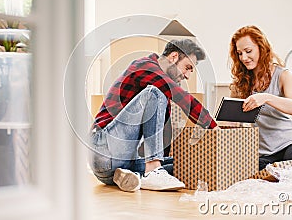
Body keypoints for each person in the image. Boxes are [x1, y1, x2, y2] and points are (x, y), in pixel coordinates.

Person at [89, 38, 218, 192]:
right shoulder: (145, 67)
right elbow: (183, 98)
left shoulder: (159, 85)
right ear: (174, 57)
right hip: (103, 148)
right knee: (155, 93)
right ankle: (152, 171)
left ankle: (129, 176)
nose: (188, 76)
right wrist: (213, 126)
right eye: (187, 67)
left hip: (120, 162)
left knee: (183, 164)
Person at [229, 25, 292, 170]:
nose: (244, 58)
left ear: (261, 48)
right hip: (264, 153)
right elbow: (233, 122)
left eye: (248, 51)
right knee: (247, 175)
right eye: (239, 53)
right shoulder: (240, 85)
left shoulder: (283, 75)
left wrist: (266, 98)